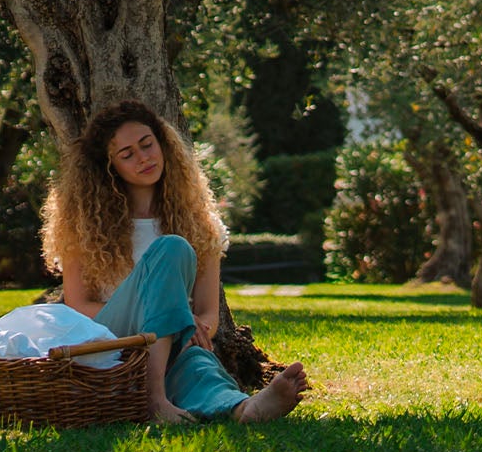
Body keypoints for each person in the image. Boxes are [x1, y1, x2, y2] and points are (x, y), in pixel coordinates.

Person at [42, 100, 308, 424]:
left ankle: (243, 409)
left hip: (170, 344)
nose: (143, 158)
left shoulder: (199, 222)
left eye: (147, 144)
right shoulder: (84, 224)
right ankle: (155, 400)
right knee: (172, 249)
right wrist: (156, 318)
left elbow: (208, 313)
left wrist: (189, 324)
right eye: (127, 154)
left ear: (162, 143)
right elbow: (78, 305)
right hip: (111, 335)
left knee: (198, 366)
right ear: (110, 167)